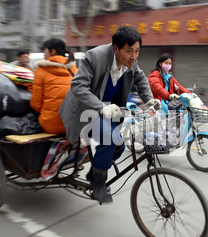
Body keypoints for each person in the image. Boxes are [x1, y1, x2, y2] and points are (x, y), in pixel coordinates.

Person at [60, 26, 160, 204]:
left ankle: (95, 172)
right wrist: (99, 107)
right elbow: (78, 86)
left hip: (110, 110)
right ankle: (99, 184)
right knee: (109, 138)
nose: (134, 56)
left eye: (137, 51)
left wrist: (149, 100)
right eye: (129, 51)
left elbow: (141, 78)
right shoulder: (95, 56)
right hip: (86, 109)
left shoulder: (131, 61)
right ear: (116, 48)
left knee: (119, 146)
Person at [30, 39, 77, 134]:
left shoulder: (40, 71)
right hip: (73, 125)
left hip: (50, 125)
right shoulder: (75, 70)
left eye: (45, 50)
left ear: (52, 51)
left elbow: (36, 104)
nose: (43, 53)